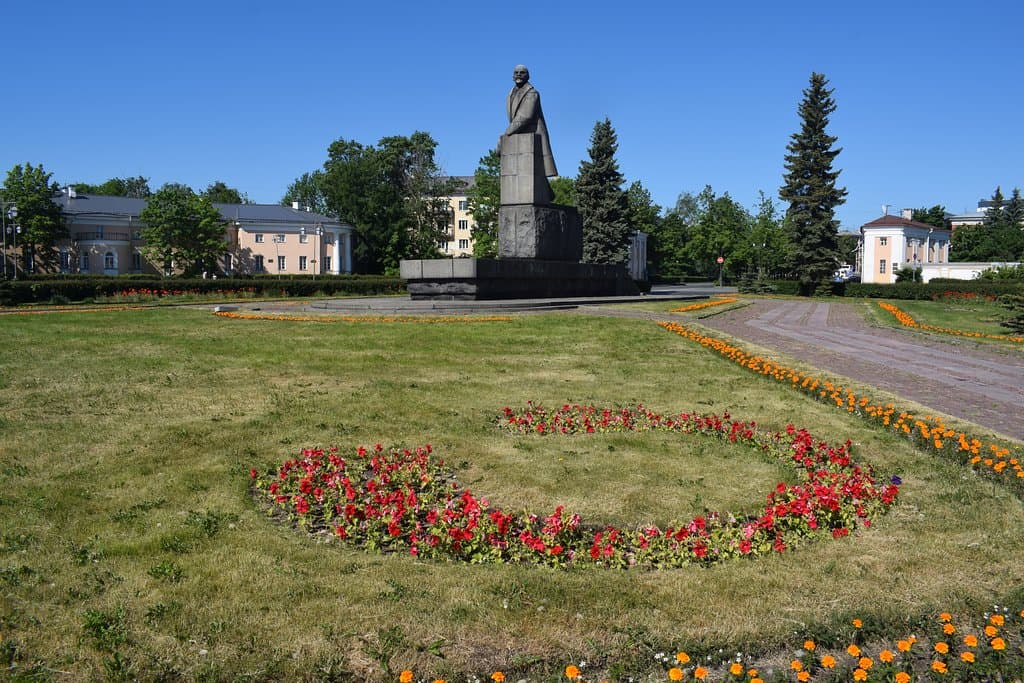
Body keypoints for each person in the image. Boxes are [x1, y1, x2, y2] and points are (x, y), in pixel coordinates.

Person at [504, 65, 558, 177]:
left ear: (528, 76)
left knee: (536, 174)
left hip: (533, 136)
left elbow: (525, 116)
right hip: (519, 137)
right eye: (516, 72)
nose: (519, 75)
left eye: (522, 72)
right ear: (512, 76)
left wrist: (506, 134)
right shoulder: (510, 94)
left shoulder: (532, 93)